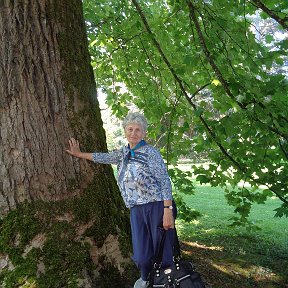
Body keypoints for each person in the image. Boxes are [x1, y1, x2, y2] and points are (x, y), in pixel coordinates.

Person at [66, 112, 177, 288]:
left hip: (157, 206)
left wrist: (168, 211)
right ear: (125, 131)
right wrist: (79, 154)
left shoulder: (150, 153)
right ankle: (147, 279)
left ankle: (167, 282)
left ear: (144, 133)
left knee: (163, 250)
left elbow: (164, 181)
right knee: (141, 255)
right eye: (130, 129)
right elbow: (103, 157)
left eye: (138, 130)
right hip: (136, 210)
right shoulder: (124, 153)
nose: (134, 133)